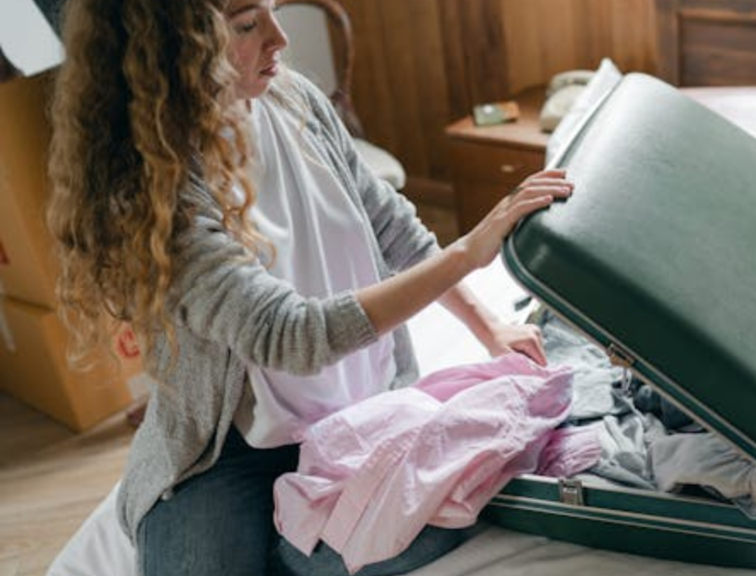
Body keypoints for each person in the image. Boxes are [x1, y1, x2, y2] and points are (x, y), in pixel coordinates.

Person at [46, 0, 573, 575]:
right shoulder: (150, 186)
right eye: (248, 24)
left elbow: (391, 225)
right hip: (230, 454)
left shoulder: (296, 100)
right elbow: (288, 334)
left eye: (273, 10)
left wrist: (488, 326)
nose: (280, 39)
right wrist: (469, 251)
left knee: (347, 555)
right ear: (172, 47)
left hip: (359, 407)